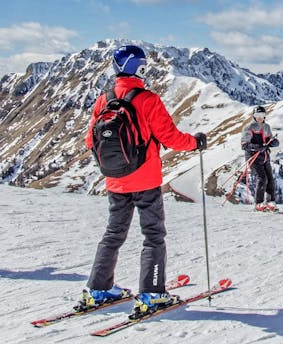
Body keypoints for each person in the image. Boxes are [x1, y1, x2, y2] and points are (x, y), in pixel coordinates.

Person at [81, 45, 208, 315]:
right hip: (146, 180)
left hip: (115, 181)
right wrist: (195, 142)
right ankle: (152, 293)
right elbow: (170, 137)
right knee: (153, 236)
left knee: (113, 234)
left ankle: (98, 289)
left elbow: (89, 140)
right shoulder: (147, 99)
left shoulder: (103, 100)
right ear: (139, 68)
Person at [241, 105, 280, 212]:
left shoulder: (267, 127)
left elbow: (268, 140)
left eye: (262, 115)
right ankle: (258, 203)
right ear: (253, 116)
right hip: (253, 158)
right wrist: (256, 147)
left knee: (270, 179)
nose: (259, 117)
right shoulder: (248, 128)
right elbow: (244, 145)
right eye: (257, 115)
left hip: (265, 156)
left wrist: (273, 143)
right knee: (262, 178)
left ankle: (270, 202)